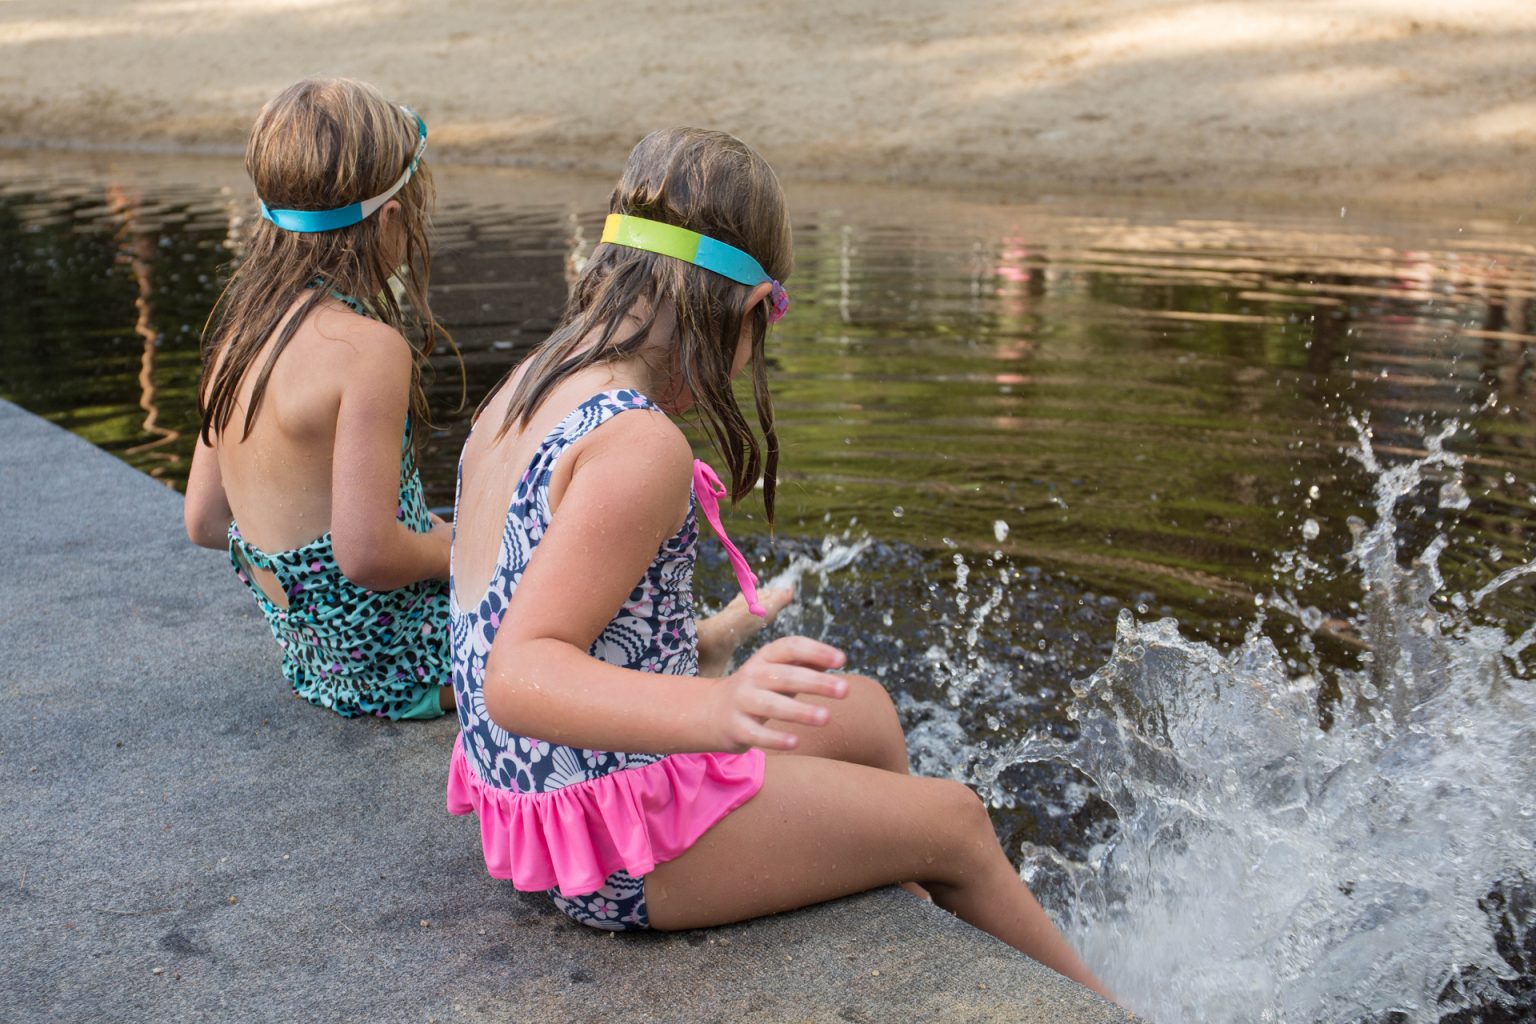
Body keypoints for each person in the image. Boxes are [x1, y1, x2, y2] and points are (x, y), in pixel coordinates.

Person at [446, 127, 1111, 999]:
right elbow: (517, 671)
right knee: (956, 821)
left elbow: (519, 601)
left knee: (862, 713)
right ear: (752, 306)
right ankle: (1107, 1008)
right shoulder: (639, 445)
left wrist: (698, 648)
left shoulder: (533, 380)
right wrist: (713, 706)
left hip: (538, 801)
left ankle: (910, 904)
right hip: (615, 844)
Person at [183, 78, 456, 721]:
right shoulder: (367, 349)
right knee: (578, 614)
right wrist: (467, 553)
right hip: (403, 664)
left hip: (318, 663)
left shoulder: (239, 333)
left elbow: (202, 520)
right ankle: (711, 656)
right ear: (391, 216)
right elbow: (367, 555)